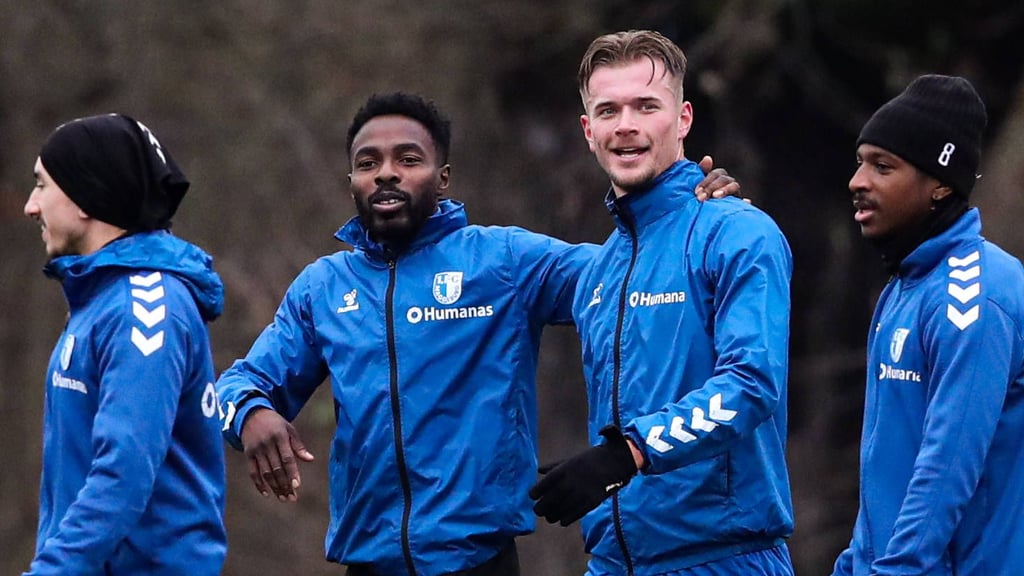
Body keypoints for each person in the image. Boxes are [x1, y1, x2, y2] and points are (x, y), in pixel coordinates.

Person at [215, 92, 739, 576]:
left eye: (408, 159)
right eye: (368, 163)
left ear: (442, 178)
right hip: (366, 563)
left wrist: (693, 216)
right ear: (351, 181)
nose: (386, 174)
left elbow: (629, 277)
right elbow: (232, 388)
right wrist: (251, 413)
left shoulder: (502, 261)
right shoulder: (323, 289)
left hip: (479, 562)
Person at [528, 30, 795, 575]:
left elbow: (752, 384)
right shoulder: (599, 268)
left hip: (724, 558)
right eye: (608, 110)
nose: (625, 124)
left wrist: (630, 451)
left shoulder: (738, 233)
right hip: (612, 562)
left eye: (646, 106)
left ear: (683, 120)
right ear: (588, 130)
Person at [830, 75, 1024, 575]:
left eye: (883, 166)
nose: (858, 181)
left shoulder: (975, 294)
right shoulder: (905, 287)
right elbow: (886, 471)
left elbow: (946, 466)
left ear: (940, 183)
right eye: (860, 162)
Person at [22, 114, 227, 575]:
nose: (31, 206)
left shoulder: (145, 306)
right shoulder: (100, 301)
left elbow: (123, 475)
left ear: (85, 198)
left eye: (42, 185)